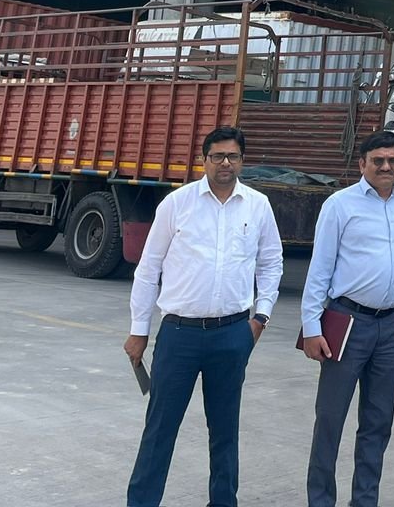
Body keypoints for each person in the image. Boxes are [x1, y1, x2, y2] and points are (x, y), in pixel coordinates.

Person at [124, 125, 283, 507]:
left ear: (242, 160)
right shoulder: (177, 204)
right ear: (204, 160)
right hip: (179, 335)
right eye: (217, 156)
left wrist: (261, 317)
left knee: (225, 431)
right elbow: (148, 269)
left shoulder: (258, 206)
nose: (225, 163)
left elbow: (271, 263)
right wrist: (139, 330)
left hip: (232, 334)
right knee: (160, 429)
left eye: (233, 156)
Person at [302, 130, 394, 507]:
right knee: (330, 418)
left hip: (392, 325)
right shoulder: (340, 205)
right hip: (347, 321)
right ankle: (321, 500)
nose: (386, 167)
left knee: (378, 421)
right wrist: (311, 328)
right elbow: (320, 270)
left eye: (393, 161)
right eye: (378, 161)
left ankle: (364, 500)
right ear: (362, 164)